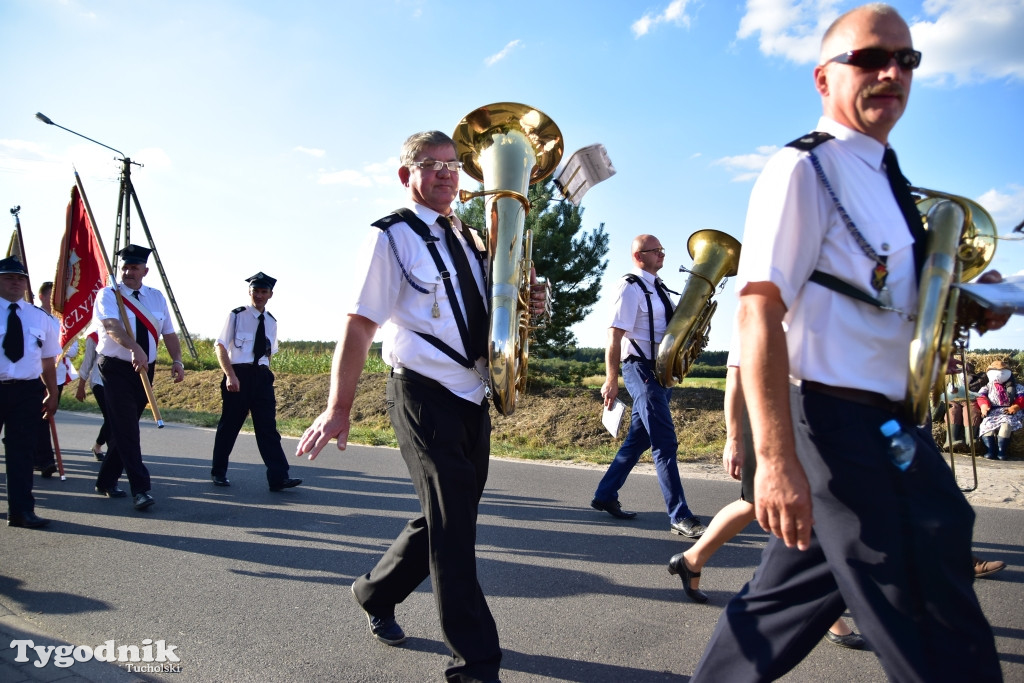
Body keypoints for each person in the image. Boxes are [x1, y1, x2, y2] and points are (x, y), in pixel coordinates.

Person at [690, 5, 1002, 681]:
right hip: (840, 421)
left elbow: (886, 302)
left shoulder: (885, 174)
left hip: (883, 415)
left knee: (778, 608)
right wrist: (772, 459)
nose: (892, 72)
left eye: (907, 60)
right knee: (932, 597)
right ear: (823, 78)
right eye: (870, 58)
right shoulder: (805, 169)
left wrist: (973, 301)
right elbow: (758, 310)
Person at [296, 130, 520, 683]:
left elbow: (494, 303)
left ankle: (375, 592)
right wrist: (338, 406)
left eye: (453, 165)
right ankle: (476, 664)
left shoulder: (469, 236)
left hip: (472, 394)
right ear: (407, 176)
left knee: (447, 515)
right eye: (432, 165)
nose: (447, 174)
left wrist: (528, 297)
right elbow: (359, 325)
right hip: (421, 394)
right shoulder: (390, 238)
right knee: (455, 529)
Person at [669, 363, 864, 649]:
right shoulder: (757, 316)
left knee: (758, 503)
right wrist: (733, 439)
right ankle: (818, 606)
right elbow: (736, 374)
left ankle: (690, 560)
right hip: (766, 416)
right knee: (774, 502)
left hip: (811, 411)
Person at [591, 235, 705, 538]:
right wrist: (611, 380)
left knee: (639, 439)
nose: (663, 255)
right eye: (657, 251)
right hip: (639, 369)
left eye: (662, 250)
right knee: (664, 442)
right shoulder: (628, 286)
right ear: (640, 256)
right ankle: (679, 515)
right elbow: (614, 336)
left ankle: (605, 493)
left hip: (661, 371)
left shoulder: (661, 289)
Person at [93, 244, 185, 511]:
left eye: (134, 267)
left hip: (146, 369)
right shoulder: (108, 294)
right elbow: (112, 327)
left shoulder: (156, 298)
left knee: (125, 428)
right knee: (127, 429)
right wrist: (133, 348)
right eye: (124, 266)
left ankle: (106, 480)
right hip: (116, 366)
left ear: (145, 270)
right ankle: (141, 489)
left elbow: (168, 333)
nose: (128, 271)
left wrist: (177, 360)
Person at [210, 272, 301, 491]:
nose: (259, 296)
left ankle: (279, 477)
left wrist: (266, 373)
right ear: (249, 292)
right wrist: (230, 375)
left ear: (270, 294)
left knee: (268, 428)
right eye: (255, 291)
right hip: (238, 375)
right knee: (229, 427)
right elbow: (220, 346)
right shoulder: (236, 315)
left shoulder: (271, 321)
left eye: (263, 292)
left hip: (261, 378)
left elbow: (268, 351)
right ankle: (219, 472)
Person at [0, 257, 60, 527]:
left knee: (22, 453)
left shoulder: (40, 318)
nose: (15, 282)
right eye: (9, 277)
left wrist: (52, 392)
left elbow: (48, 360)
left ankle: (21, 511)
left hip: (26, 391)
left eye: (20, 278)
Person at [32, 281, 78, 477]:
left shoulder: (62, 321)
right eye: (51, 297)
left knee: (46, 416)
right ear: (41, 297)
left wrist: (55, 350)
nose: (54, 301)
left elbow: (73, 349)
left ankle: (39, 457)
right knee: (38, 419)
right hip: (34, 376)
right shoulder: (33, 317)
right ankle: (45, 460)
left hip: (56, 378)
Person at [976, 359, 1023, 461]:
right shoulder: (988, 386)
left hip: (1010, 411)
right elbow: (981, 397)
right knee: (986, 425)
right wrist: (984, 406)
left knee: (1006, 424)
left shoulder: (1016, 387)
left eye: (1002, 373)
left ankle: (1002, 451)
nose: (998, 375)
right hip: (993, 412)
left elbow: (1021, 398)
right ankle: (991, 451)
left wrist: (1015, 407)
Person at [75, 325, 109, 461]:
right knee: (110, 416)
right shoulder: (94, 335)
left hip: (117, 382)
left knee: (117, 417)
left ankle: (102, 447)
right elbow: (87, 362)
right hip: (98, 381)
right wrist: (80, 387)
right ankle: (99, 446)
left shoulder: (124, 330)